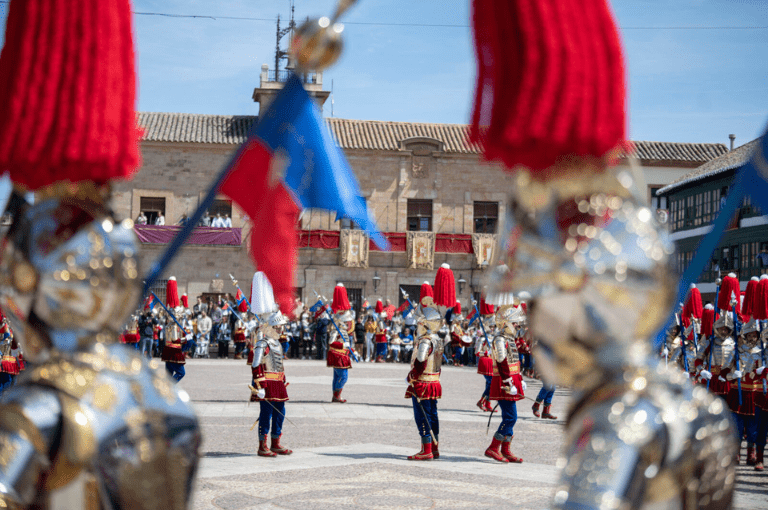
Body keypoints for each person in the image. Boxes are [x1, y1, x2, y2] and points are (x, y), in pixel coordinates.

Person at [405, 296, 446, 460]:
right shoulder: (437, 339)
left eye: (419, 323)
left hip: (422, 382)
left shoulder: (425, 341)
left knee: (422, 416)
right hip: (434, 381)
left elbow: (420, 363)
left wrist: (411, 376)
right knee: (432, 415)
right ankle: (434, 447)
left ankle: (426, 449)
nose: (417, 326)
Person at [484, 303, 526, 463]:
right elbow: (502, 363)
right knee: (510, 417)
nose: (516, 326)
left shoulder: (509, 339)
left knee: (511, 416)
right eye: (514, 322)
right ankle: (494, 447)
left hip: (512, 381)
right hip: (504, 382)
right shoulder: (500, 340)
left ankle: (505, 449)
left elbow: (514, 363)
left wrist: (520, 379)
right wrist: (509, 382)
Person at [250, 311, 292, 457]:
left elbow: (279, 365)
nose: (282, 330)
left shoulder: (278, 344)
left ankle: (276, 443)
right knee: (266, 414)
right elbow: (256, 365)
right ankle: (262, 445)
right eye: (279, 327)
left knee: (280, 413)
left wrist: (283, 379)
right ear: (273, 327)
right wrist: (260, 386)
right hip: (267, 383)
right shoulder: (263, 343)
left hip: (278, 383)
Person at [327, 283, 355, 403]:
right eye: (346, 323)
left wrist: (350, 349)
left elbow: (347, 339)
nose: (348, 324)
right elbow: (331, 342)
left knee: (337, 377)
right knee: (343, 377)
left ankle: (335, 396)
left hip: (343, 353)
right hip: (337, 354)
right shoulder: (335, 329)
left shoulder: (343, 329)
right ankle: (337, 395)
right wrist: (344, 346)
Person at [161, 277, 189, 382]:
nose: (180, 317)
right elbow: (175, 340)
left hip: (168, 350)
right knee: (181, 373)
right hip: (174, 351)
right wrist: (185, 339)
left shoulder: (170, 325)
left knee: (168, 375)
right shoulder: (173, 326)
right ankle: (170, 388)